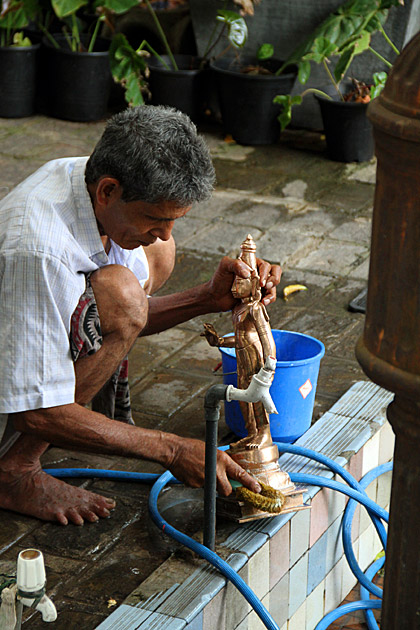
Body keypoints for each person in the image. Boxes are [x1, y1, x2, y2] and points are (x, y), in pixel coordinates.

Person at [0, 106, 281, 526]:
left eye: (173, 220)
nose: (167, 231)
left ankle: (89, 392)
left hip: (34, 331)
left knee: (154, 254)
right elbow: (34, 412)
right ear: (108, 191)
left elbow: (131, 316)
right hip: (15, 397)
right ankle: (14, 471)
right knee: (124, 290)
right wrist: (171, 449)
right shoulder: (35, 251)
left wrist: (208, 298)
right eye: (155, 217)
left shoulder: (92, 178)